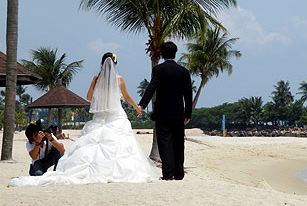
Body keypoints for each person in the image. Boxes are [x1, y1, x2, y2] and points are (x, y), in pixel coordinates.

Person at [9, 53, 157, 186]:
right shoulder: (119, 80)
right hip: (116, 114)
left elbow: (88, 97)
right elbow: (127, 97)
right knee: (120, 144)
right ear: (115, 65)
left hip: (100, 116)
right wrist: (138, 107)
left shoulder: (96, 79)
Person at [139, 41, 192, 181]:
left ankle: (168, 174)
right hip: (179, 113)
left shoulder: (158, 70)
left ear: (161, 54)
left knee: (164, 143)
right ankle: (179, 173)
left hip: (162, 112)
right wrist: (188, 114)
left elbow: (151, 88)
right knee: (179, 143)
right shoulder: (184, 71)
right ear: (175, 53)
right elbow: (188, 94)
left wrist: (142, 105)